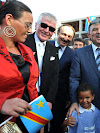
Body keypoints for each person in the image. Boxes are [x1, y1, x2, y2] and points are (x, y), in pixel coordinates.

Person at [0, 1, 38, 132]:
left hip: (29, 123)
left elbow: (31, 87)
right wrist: (1, 104)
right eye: (27, 25)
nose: (30, 30)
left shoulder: (27, 51)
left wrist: (38, 118)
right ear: (9, 19)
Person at [24, 12, 59, 109]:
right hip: (23, 97)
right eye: (44, 26)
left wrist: (50, 100)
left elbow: (54, 76)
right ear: (36, 25)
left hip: (42, 98)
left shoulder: (53, 49)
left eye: (51, 29)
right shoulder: (23, 42)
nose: (47, 31)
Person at [49, 24, 75, 133]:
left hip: (60, 98)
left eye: (69, 36)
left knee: (56, 125)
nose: (65, 38)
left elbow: (71, 77)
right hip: (41, 95)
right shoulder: (46, 45)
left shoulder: (72, 54)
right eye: (64, 34)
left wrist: (69, 98)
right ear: (57, 33)